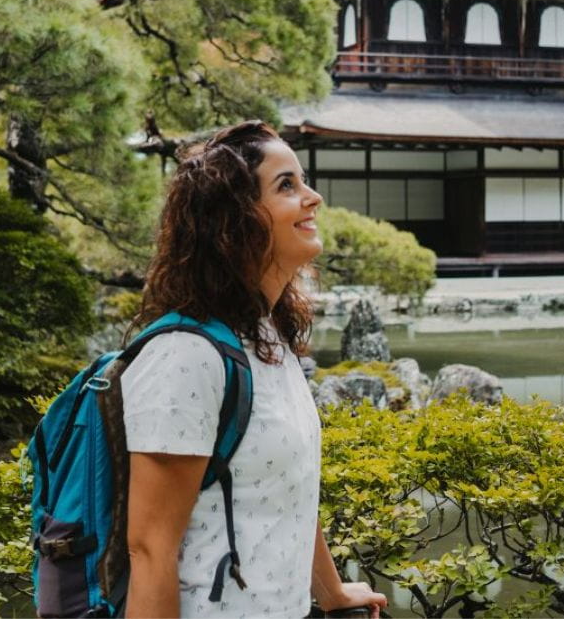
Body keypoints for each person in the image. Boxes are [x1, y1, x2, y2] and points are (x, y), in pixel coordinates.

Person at [120, 121, 388, 618]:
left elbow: (284, 491)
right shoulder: (184, 354)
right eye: (287, 185)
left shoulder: (267, 337)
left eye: (302, 180)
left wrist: (330, 593)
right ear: (234, 220)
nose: (313, 198)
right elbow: (150, 549)